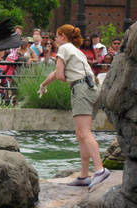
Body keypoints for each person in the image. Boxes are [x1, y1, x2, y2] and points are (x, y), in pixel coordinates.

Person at [39, 24, 110, 189]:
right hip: (92, 88)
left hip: (81, 89)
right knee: (81, 134)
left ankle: (100, 170)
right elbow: (56, 74)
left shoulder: (63, 48)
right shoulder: (76, 50)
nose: (55, 39)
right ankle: (84, 176)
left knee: (84, 133)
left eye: (56, 36)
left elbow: (59, 74)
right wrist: (43, 84)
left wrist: (65, 79)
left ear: (63, 36)